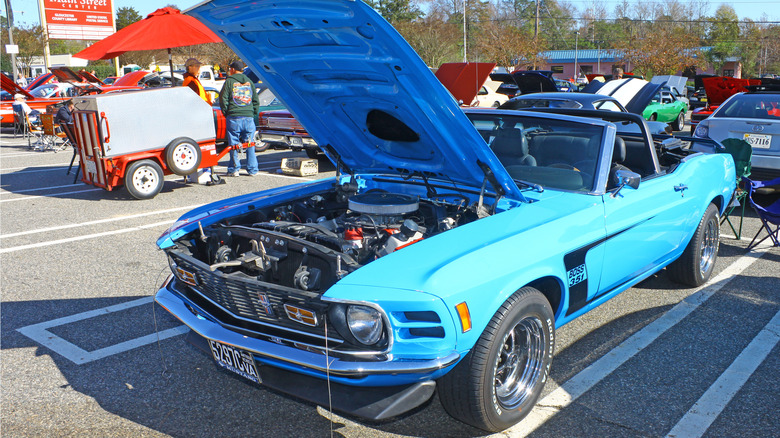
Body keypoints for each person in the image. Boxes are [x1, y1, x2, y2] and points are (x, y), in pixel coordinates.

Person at [219, 60, 260, 177]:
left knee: (234, 144)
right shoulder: (250, 82)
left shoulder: (229, 81)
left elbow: (223, 99)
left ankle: (234, 169)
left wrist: (226, 112)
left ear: (232, 69)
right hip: (248, 117)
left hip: (234, 116)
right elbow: (255, 100)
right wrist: (253, 112)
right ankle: (252, 170)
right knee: (250, 144)